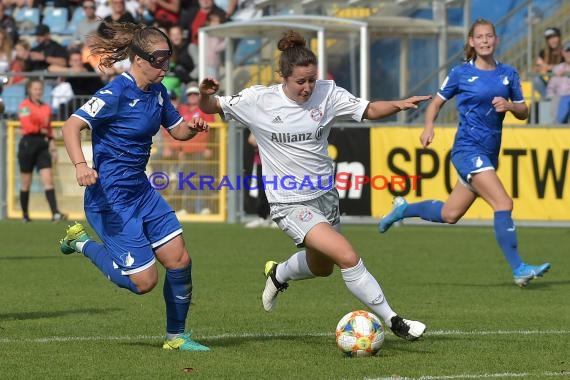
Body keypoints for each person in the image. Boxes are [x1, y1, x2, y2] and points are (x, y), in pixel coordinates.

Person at [198, 30, 431, 341]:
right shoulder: (258, 100)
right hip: (289, 202)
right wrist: (204, 94)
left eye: (311, 80)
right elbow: (210, 107)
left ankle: (278, 274)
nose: (308, 87)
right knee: (347, 256)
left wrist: (399, 104)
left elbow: (369, 110)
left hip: (325, 196)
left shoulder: (328, 93)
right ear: (282, 76)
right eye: (300, 82)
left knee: (323, 268)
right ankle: (394, 320)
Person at [58, 22, 210, 351]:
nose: (164, 66)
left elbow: (178, 130)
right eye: (158, 59)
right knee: (144, 283)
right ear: (138, 59)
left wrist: (193, 127)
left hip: (140, 193)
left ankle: (176, 337)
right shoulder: (115, 92)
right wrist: (81, 166)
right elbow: (71, 126)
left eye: (168, 58)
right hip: (110, 200)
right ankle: (81, 242)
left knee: (180, 260)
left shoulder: (158, 92)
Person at [378, 18, 551, 288]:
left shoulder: (509, 73)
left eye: (489, 36)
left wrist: (509, 106)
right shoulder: (461, 73)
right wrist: (428, 127)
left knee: (450, 214)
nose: (484, 40)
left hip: (489, 153)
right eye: (479, 37)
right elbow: (436, 103)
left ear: (496, 40)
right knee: (503, 203)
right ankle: (519, 268)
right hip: (467, 150)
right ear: (471, 41)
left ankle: (402, 209)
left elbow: (524, 110)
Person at [17, 78, 66, 223]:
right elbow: (27, 125)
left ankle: (55, 213)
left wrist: (53, 148)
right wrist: (41, 128)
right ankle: (25, 215)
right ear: (29, 90)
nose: (38, 91)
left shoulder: (46, 108)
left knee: (48, 179)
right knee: (26, 182)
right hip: (28, 143)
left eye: (40, 89)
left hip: (43, 144)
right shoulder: (24, 105)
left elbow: (49, 130)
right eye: (35, 89)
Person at [533, 27, 564, 99]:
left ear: (559, 37)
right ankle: (549, 99)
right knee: (536, 79)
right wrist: (541, 68)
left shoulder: (565, 50)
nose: (552, 40)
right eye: (549, 38)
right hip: (551, 86)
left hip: (564, 85)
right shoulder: (544, 53)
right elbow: (536, 68)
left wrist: (549, 67)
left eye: (554, 37)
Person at [546, 41, 570, 123]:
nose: (569, 54)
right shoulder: (557, 68)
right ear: (563, 53)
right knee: (559, 101)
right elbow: (550, 88)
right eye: (567, 51)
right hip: (559, 99)